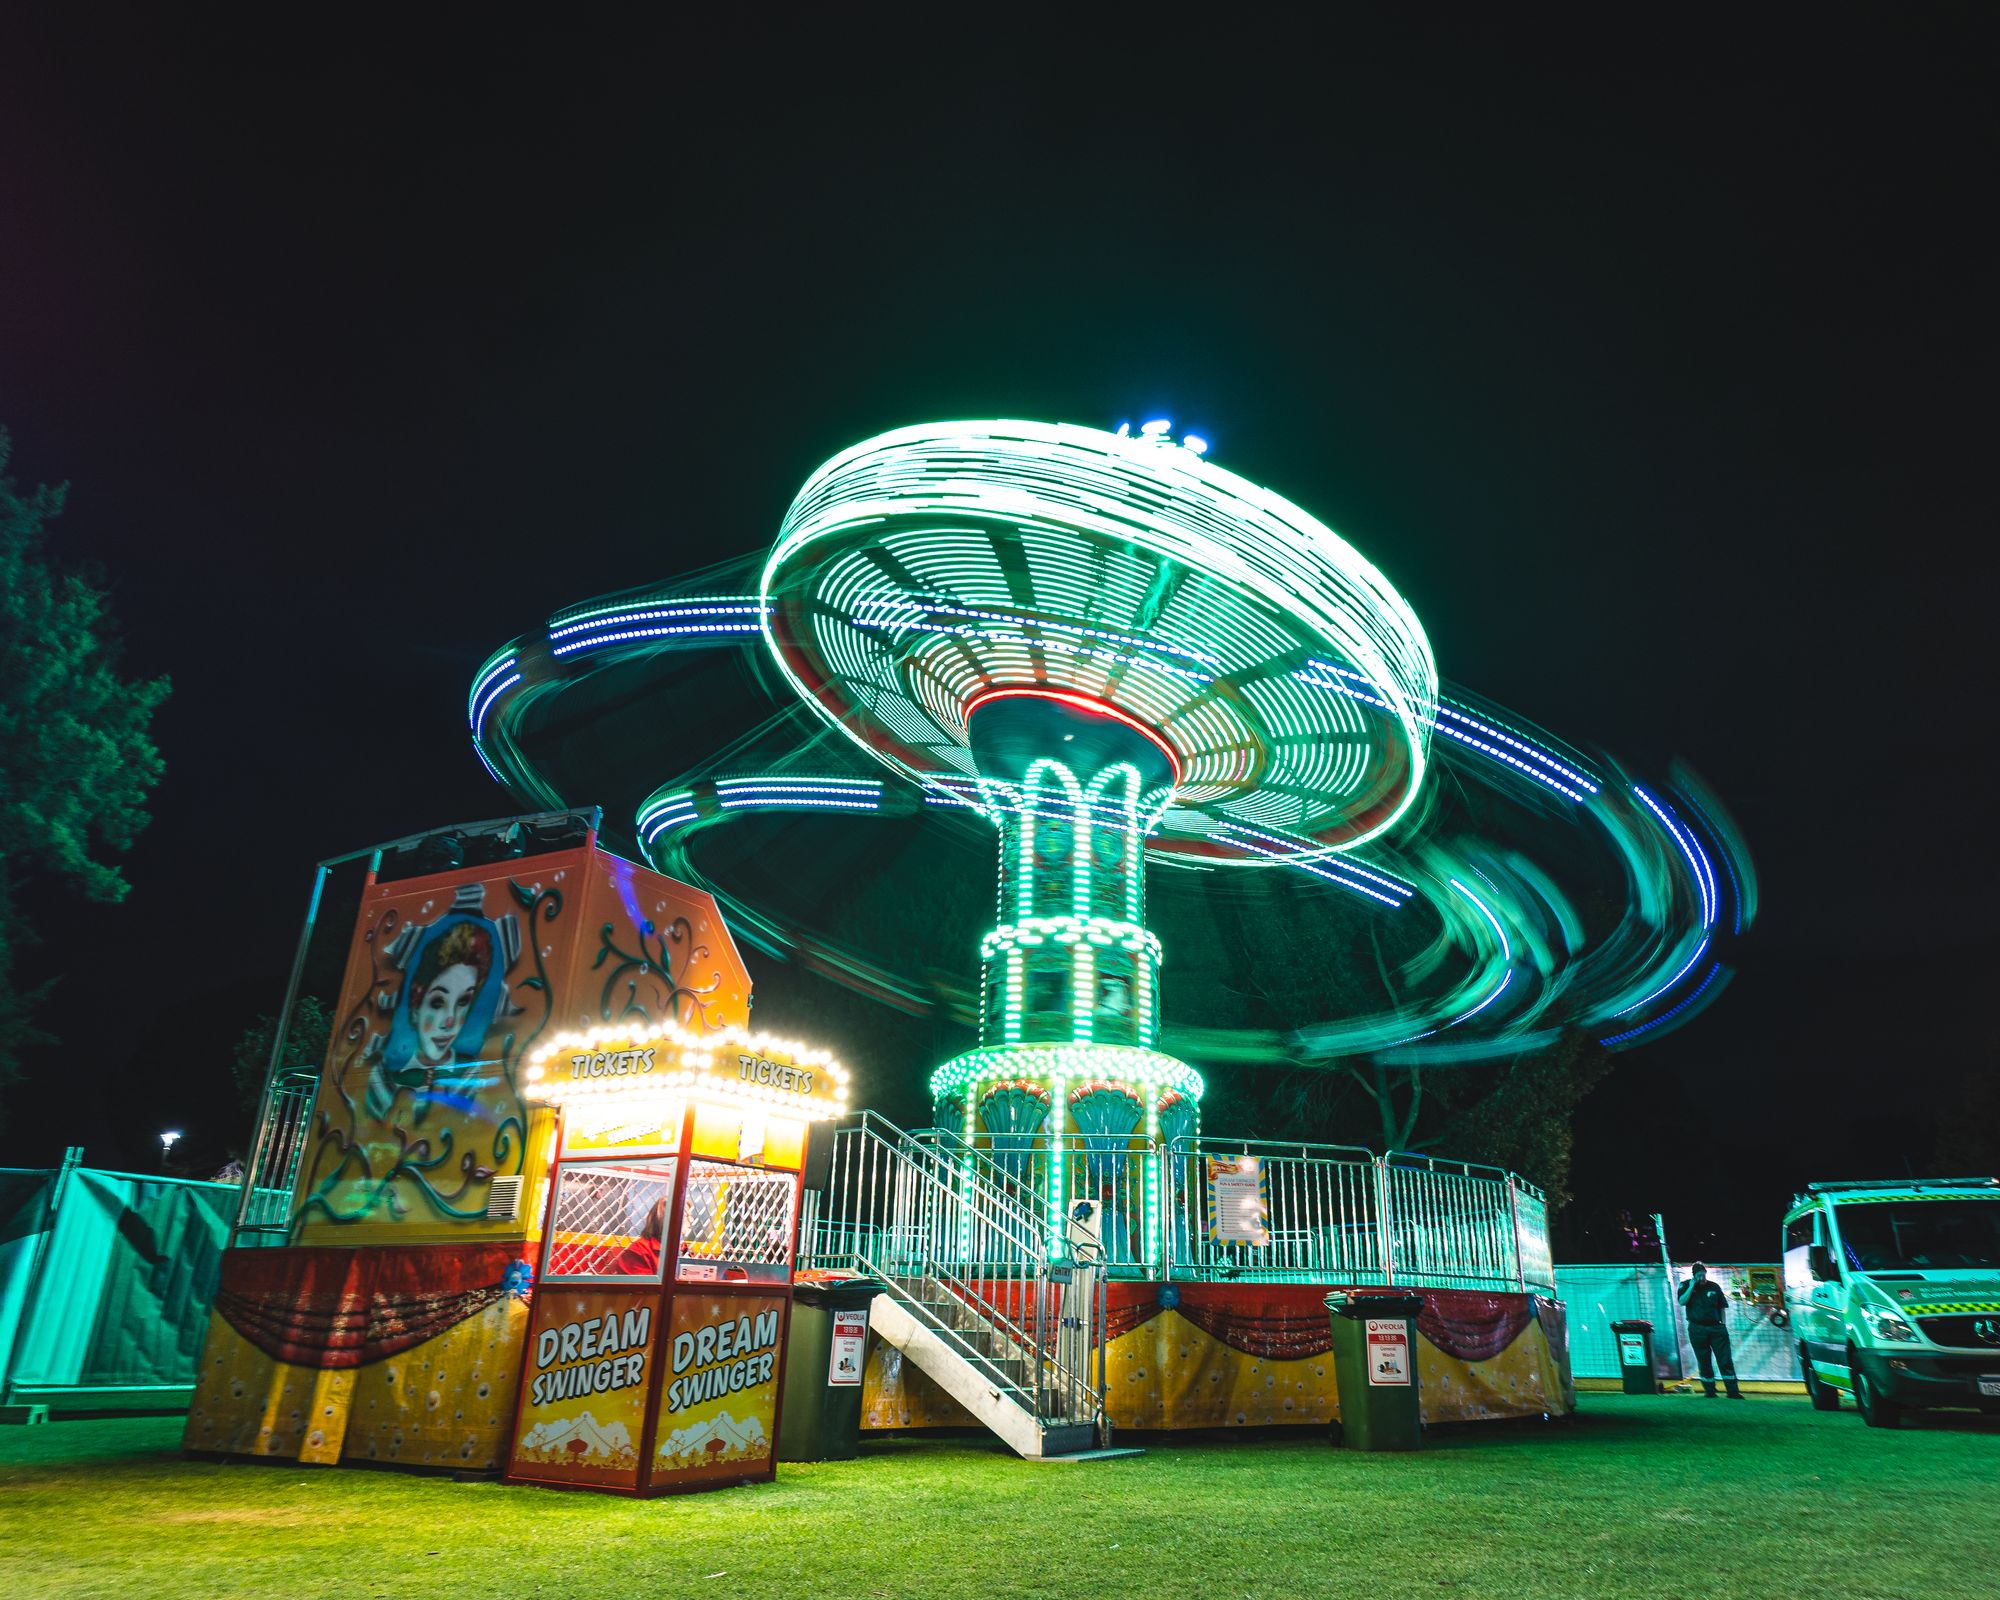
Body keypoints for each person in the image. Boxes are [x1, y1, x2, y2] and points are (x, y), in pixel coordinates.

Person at [1679, 1262, 1743, 1399]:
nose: (1702, 1278)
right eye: (1699, 1276)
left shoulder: (1714, 1286)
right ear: (1694, 1275)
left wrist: (1723, 1325)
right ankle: (1710, 1391)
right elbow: (1682, 1302)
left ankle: (1732, 1391)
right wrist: (1691, 1287)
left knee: (1725, 1359)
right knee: (1703, 1360)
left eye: (1703, 1275)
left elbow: (1722, 1307)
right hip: (1697, 1328)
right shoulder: (1685, 1285)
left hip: (1716, 1328)